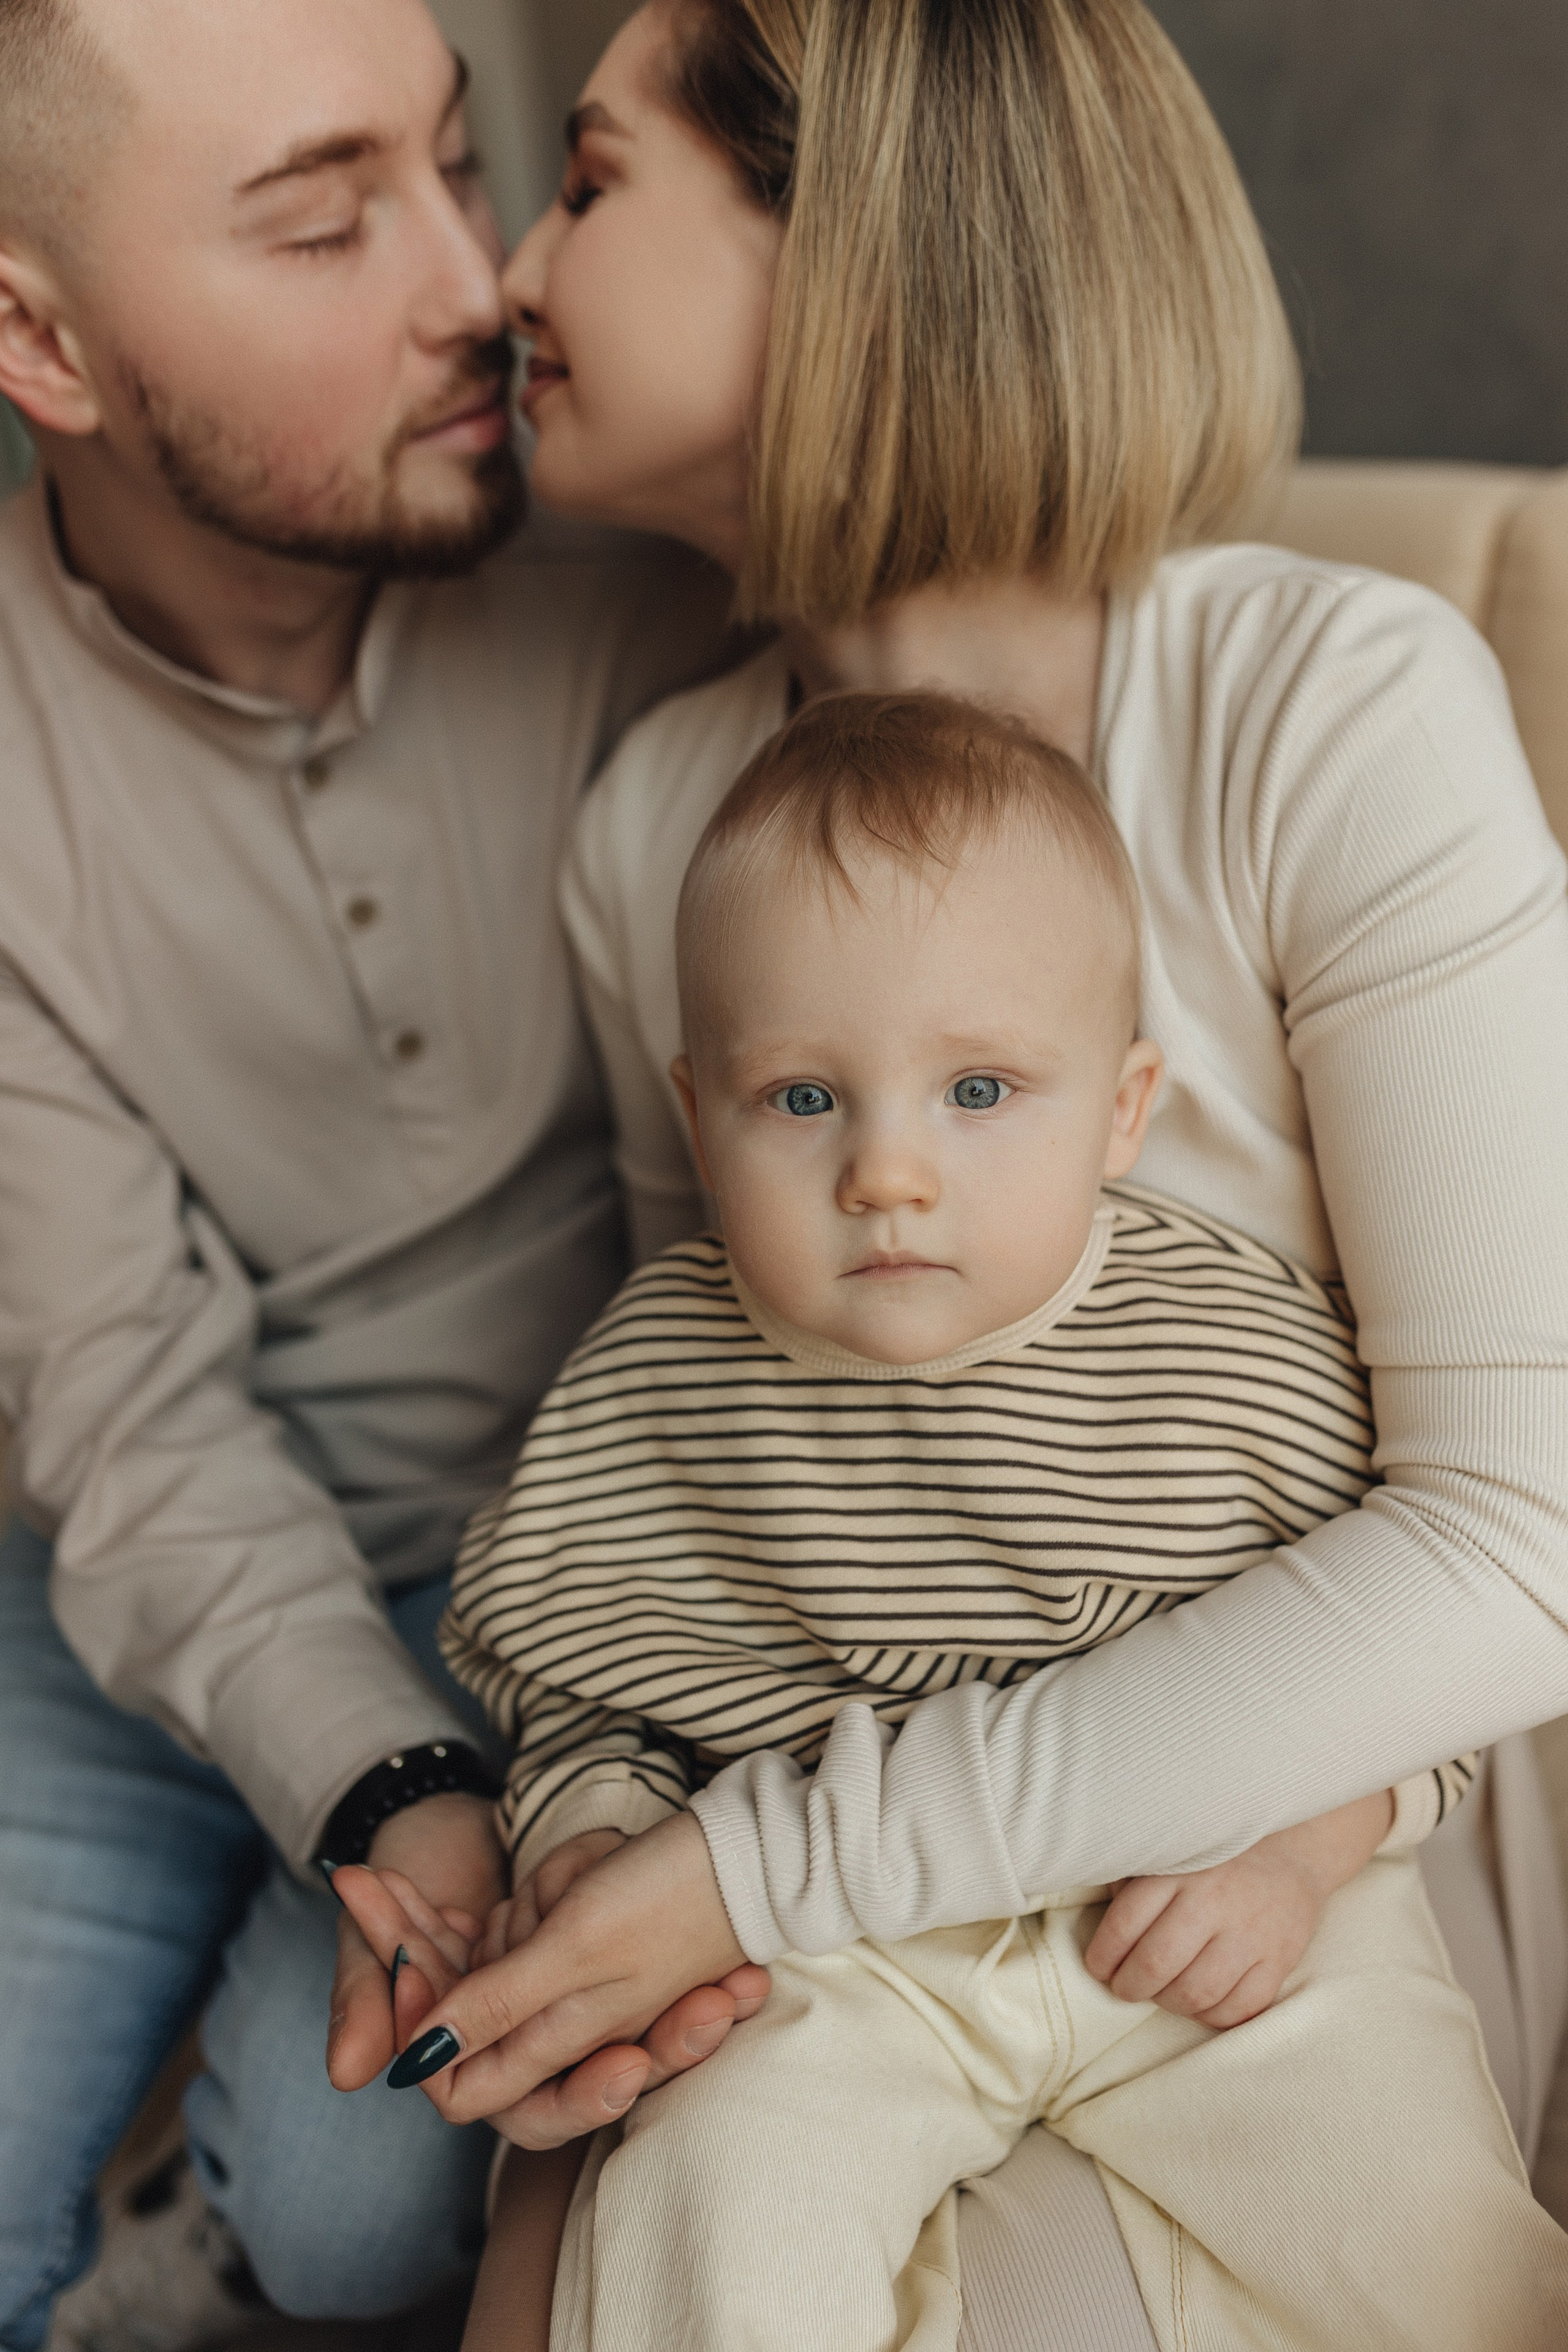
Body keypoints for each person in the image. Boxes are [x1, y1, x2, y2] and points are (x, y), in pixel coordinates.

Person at [336, 0, 1568, 2342]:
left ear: (852, 242)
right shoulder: (649, 837)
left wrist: (761, 1873)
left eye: (585, 186)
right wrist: (595, 2051)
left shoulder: (1331, 709)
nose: (507, 278)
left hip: (1284, 1866)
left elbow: (1519, 1541)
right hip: (828, 1896)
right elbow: (716, 1485)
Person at [379, 685, 1559, 2352]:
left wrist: (1307, 1851)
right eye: (802, 1100)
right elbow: (589, 1685)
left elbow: (1416, 1671)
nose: (888, 1173)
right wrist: (583, 1835)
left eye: (982, 1091)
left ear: (1126, 1108)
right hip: (828, 1946)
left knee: (1435, 2242)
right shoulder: (655, 1379)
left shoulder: (1231, 1341)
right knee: (701, 2194)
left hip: (1206, 1897)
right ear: (701, 1115)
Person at [0, 1, 763, 2345]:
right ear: (36, 334)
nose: (479, 283)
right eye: (328, 220)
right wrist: (382, 1781)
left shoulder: (673, 558)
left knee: (347, 2200)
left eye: (469, 163)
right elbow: (121, 1414)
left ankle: (216, 2247)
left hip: (600, 1548)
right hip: (131, 1579)